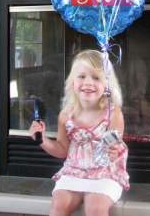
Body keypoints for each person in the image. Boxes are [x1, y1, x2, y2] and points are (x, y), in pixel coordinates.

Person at [29, 49, 129, 216]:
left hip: (104, 173)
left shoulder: (113, 114)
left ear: (107, 85)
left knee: (95, 208)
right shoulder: (66, 115)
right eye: (81, 76)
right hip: (74, 171)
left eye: (96, 78)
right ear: (72, 82)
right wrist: (42, 140)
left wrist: (114, 151)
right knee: (58, 206)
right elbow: (62, 150)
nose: (88, 82)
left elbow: (115, 148)